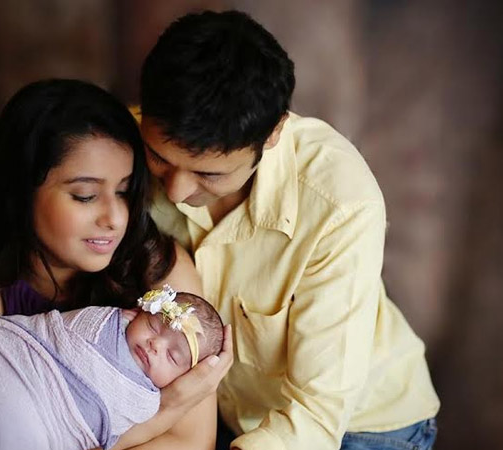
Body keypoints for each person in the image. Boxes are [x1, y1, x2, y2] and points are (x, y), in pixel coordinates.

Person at [134, 10, 440, 450]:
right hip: (229, 416)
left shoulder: (340, 204)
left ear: (273, 133)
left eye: (209, 174)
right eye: (159, 158)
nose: (176, 191)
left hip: (360, 428)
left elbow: (318, 414)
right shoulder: (122, 142)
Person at [0, 78, 233, 450]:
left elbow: (189, 443)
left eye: (124, 192)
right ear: (22, 190)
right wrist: (166, 409)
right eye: (85, 195)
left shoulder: (159, 271)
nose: (115, 218)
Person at [0, 285, 224, 450]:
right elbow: (58, 335)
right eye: (152, 327)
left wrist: (161, 405)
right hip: (7, 355)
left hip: (34, 420)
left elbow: (109, 430)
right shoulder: (104, 322)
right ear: (135, 313)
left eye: (173, 356)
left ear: (184, 377)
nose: (155, 345)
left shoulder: (145, 399)